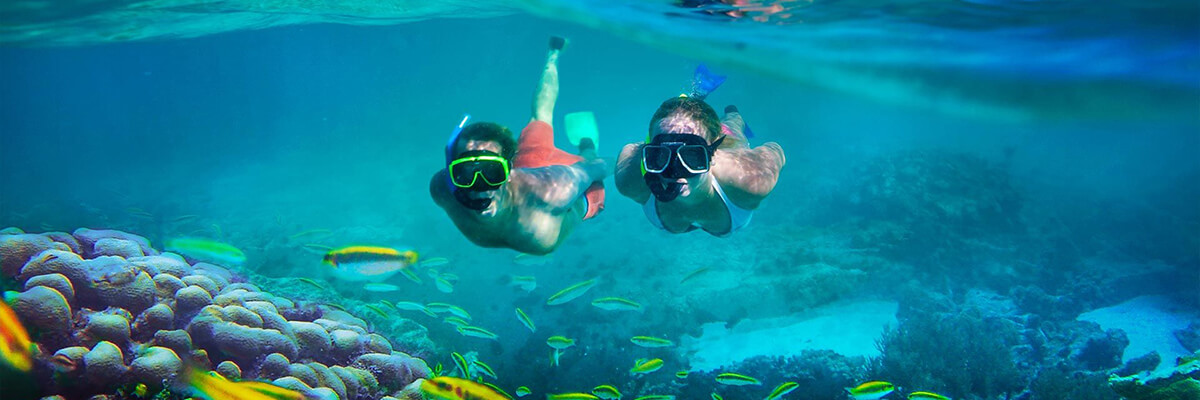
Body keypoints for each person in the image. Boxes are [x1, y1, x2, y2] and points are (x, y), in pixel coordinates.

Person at [431, 37, 607, 255]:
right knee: (539, 119)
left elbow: (600, 167)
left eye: (491, 172)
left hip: (566, 190)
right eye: (466, 174)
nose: (480, 187)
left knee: (587, 162)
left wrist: (593, 158)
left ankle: (586, 143)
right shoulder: (441, 189)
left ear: (508, 170)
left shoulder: (552, 191)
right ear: (451, 173)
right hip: (530, 164)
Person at [614, 66, 785, 237]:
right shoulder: (630, 180)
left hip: (728, 144)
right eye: (660, 155)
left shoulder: (750, 180)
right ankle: (695, 99)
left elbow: (775, 149)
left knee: (732, 124)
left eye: (691, 156)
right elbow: (636, 149)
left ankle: (732, 113)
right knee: (673, 138)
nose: (674, 173)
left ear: (713, 155)